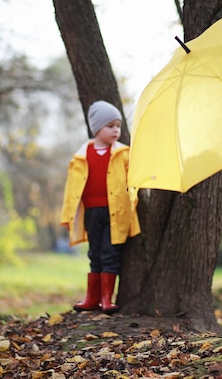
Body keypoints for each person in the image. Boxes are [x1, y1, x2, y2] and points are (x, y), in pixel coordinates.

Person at [60, 100, 140, 315]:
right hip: (92, 212)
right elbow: (72, 188)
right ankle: (92, 298)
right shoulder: (81, 156)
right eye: (110, 126)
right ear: (97, 128)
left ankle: (106, 299)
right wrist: (67, 215)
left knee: (110, 253)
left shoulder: (123, 154)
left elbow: (133, 182)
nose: (116, 130)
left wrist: (132, 200)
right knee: (95, 253)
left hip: (116, 212)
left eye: (118, 126)